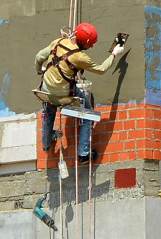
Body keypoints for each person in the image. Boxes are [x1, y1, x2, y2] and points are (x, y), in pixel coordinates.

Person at [34, 22, 125, 164]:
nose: (92, 47)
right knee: (88, 114)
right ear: (83, 42)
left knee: (49, 112)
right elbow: (100, 69)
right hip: (64, 94)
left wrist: (40, 70)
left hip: (46, 89)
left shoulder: (57, 42)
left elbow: (39, 57)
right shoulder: (80, 57)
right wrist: (114, 54)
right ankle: (84, 153)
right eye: (90, 44)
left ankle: (46, 144)